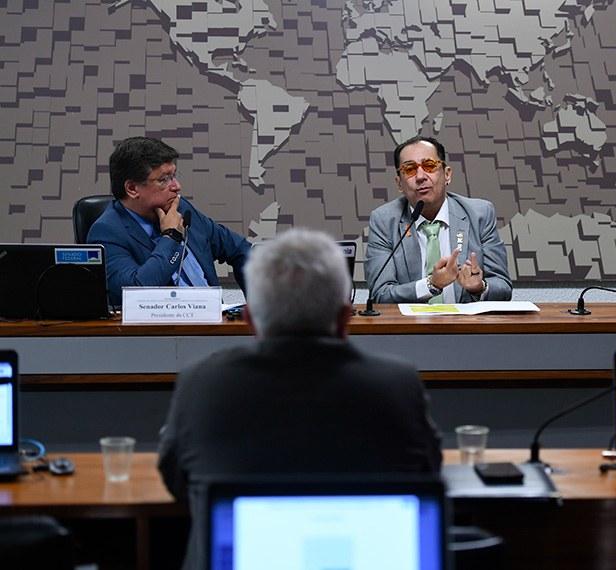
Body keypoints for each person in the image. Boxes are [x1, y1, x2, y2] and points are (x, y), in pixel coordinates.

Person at [158, 228, 442, 570]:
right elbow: (429, 472)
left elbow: (177, 483)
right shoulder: (396, 384)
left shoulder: (201, 384)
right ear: (343, 319)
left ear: (250, 321)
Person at [88, 136, 252, 305]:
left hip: (217, 324)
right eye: (164, 179)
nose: (176, 186)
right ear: (132, 188)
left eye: (174, 175)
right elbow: (136, 290)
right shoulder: (107, 232)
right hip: (165, 329)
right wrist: (171, 237)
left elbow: (241, 250)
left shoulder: (182, 209)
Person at [365, 135, 512, 303]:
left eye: (429, 166)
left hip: (466, 327)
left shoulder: (480, 214)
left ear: (447, 174)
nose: (420, 176)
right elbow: (380, 295)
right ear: (399, 183)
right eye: (410, 169)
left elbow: (504, 288)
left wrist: (480, 287)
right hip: (411, 327)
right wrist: (431, 285)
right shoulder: (384, 221)